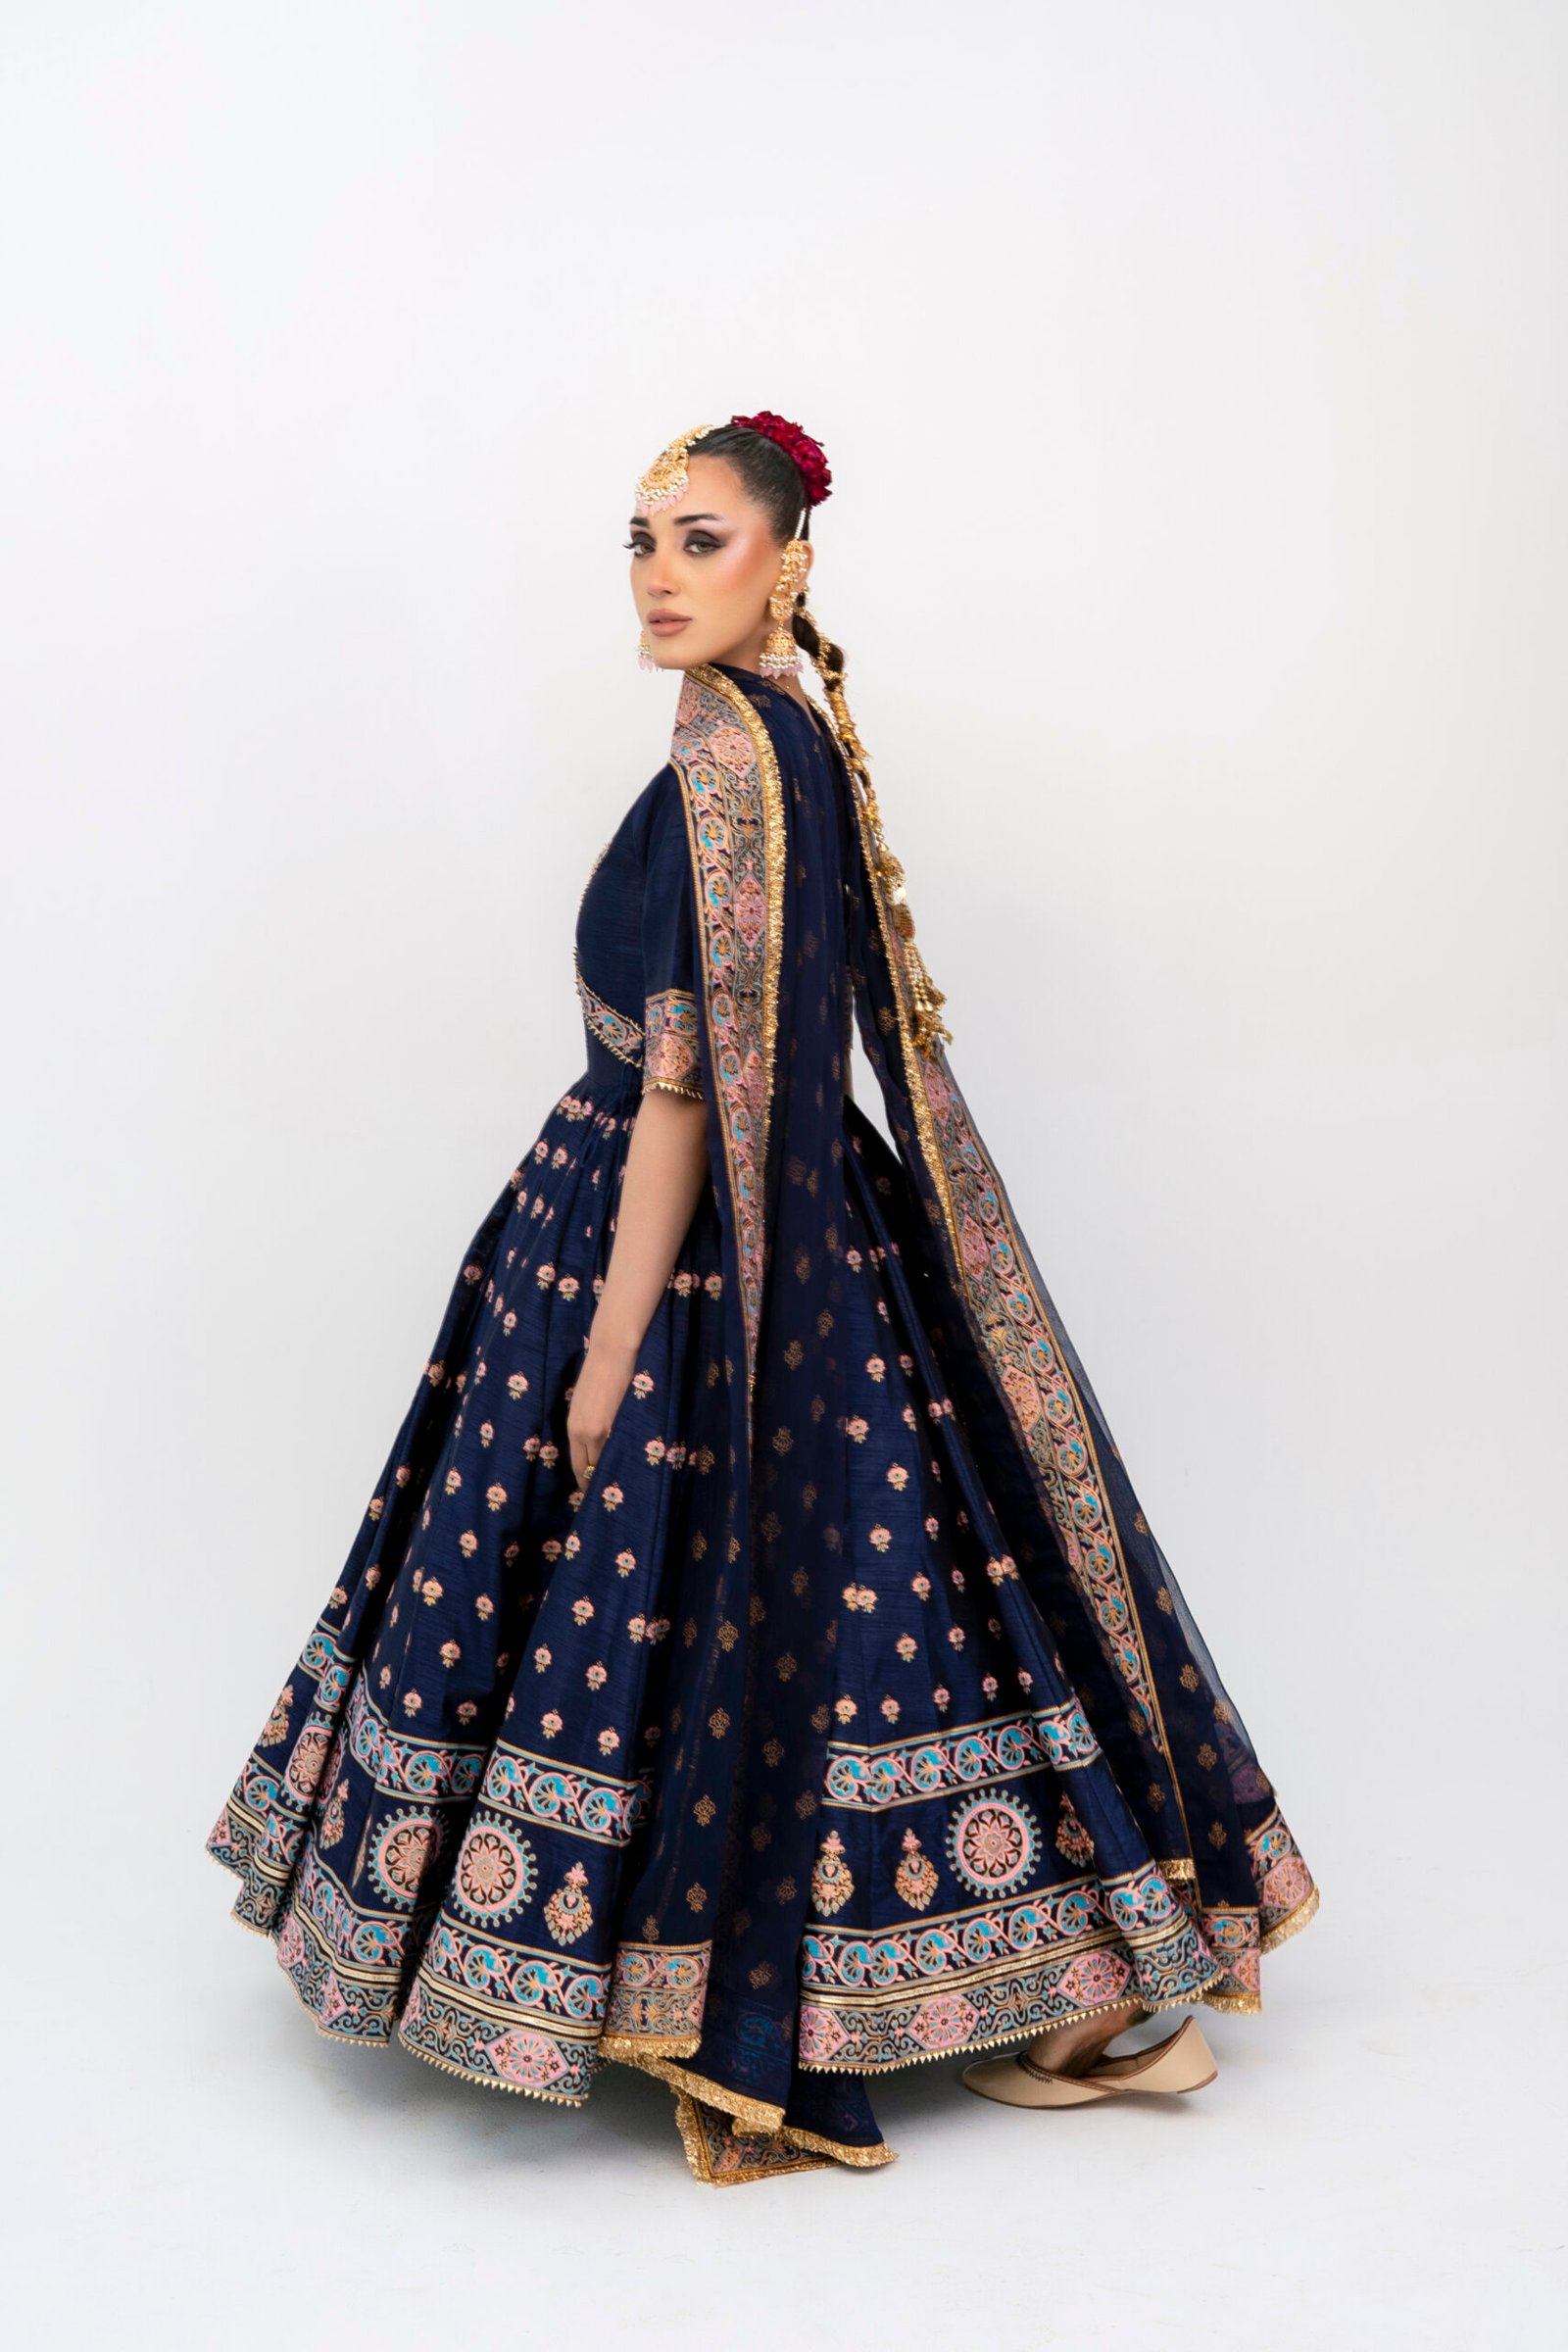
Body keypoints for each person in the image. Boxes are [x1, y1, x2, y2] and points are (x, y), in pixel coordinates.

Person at [207, 411, 1320, 2186]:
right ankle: (1070, 1985)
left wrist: (611, 1349)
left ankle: (885, 1987)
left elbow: (675, 1092)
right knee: (899, 1593)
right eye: (639, 542)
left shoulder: (724, 763)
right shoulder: (789, 732)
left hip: (673, 1239)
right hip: (813, 1227)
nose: (659, 577)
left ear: (789, 560)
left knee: (718, 1593)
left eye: (701, 539)